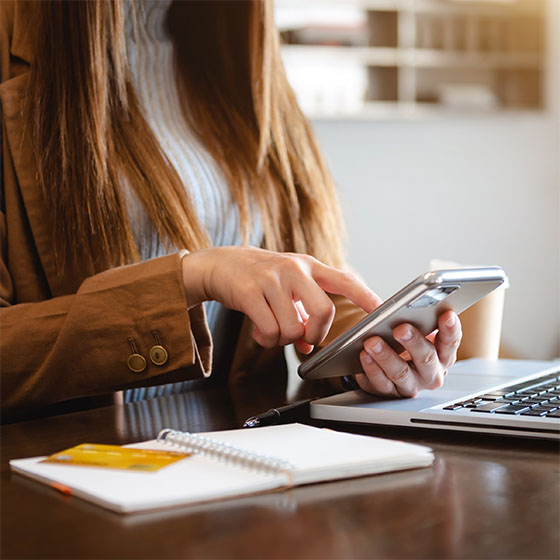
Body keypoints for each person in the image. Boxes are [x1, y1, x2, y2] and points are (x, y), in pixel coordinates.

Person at [0, 0, 462, 421]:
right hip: (75, 474)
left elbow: (301, 270)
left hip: (232, 460)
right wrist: (189, 279)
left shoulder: (235, 43)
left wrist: (369, 353)